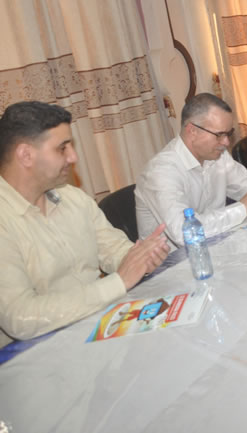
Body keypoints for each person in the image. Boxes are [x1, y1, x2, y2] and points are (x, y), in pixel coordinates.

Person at [0, 101, 170, 348]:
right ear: (26, 155)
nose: (73, 157)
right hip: (41, 350)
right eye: (62, 148)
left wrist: (142, 257)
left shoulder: (73, 197)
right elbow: (21, 318)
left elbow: (113, 250)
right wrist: (118, 282)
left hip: (101, 325)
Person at [136, 93, 247, 247]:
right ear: (192, 131)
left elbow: (244, 186)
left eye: (228, 134)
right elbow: (185, 232)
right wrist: (241, 208)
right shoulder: (160, 172)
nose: (226, 142)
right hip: (176, 259)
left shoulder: (217, 155)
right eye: (219, 135)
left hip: (218, 244)